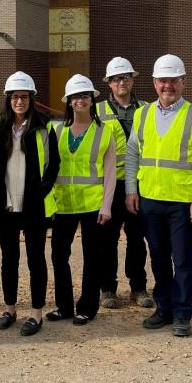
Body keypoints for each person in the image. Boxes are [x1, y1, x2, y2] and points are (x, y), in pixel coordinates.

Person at [125, 54, 192, 337]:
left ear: (183, 82)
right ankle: (163, 307)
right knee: (159, 257)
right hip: (150, 199)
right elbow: (132, 155)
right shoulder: (142, 114)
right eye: (163, 81)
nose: (168, 86)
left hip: (182, 202)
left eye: (173, 80)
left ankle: (182, 312)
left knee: (183, 259)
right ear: (154, 83)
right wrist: (131, 189)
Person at [0, 72, 60, 336]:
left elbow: (53, 165)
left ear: (31, 99)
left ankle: (36, 313)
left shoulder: (44, 127)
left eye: (24, 97)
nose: (19, 101)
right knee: (9, 260)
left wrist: (41, 192)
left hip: (34, 207)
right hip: (6, 206)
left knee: (36, 259)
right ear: (8, 99)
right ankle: (10, 309)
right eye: (15, 97)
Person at [48, 74, 115, 326]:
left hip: (92, 205)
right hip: (63, 204)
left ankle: (87, 308)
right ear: (69, 101)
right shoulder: (56, 131)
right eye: (76, 96)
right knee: (58, 256)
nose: (81, 100)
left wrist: (107, 206)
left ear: (92, 100)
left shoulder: (104, 131)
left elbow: (110, 173)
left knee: (92, 257)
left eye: (85, 96)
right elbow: (49, 170)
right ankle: (64, 306)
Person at [95, 57, 153, 310]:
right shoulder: (97, 111)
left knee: (137, 239)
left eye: (126, 77)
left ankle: (138, 287)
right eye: (116, 78)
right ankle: (107, 288)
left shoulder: (148, 109)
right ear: (108, 83)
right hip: (110, 184)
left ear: (132, 79)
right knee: (107, 240)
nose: (121, 82)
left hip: (140, 183)